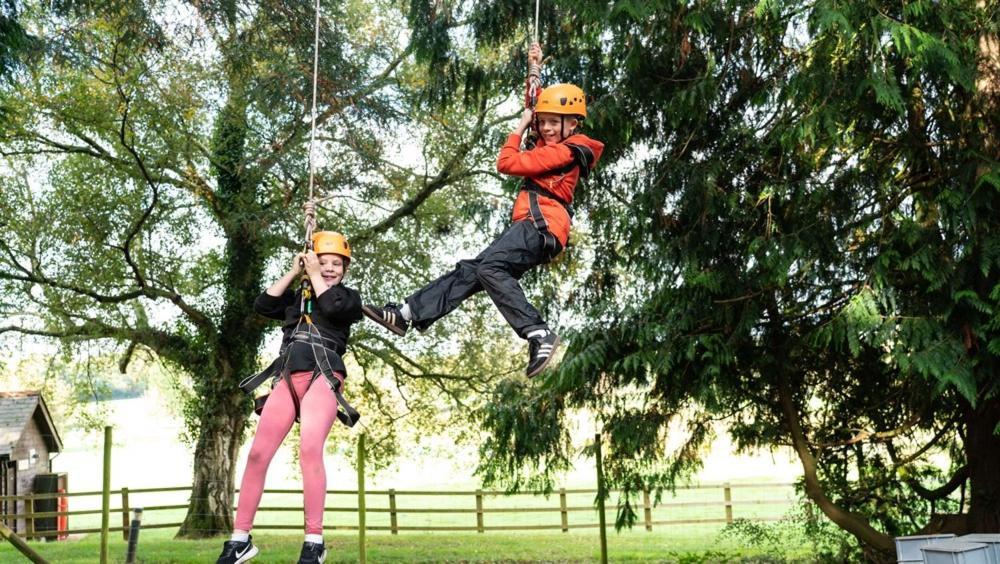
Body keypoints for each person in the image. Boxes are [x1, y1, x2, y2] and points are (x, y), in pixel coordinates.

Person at [362, 43, 604, 378]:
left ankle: (538, 333)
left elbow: (507, 162)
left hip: (543, 224)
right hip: (532, 225)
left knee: (490, 268)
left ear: (573, 125)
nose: (546, 128)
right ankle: (406, 313)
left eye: (554, 124)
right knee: (474, 270)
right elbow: (534, 104)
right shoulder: (550, 142)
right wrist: (534, 69)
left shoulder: (565, 152)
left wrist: (518, 128)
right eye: (543, 123)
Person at [216, 231, 362, 564]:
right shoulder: (297, 298)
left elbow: (330, 304)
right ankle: (240, 540)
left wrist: (312, 273)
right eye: (322, 262)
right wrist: (296, 272)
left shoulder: (349, 299)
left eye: (335, 264)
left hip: (323, 376)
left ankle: (314, 542)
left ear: (345, 269)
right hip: (287, 378)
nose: (328, 268)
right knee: (257, 455)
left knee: (309, 449)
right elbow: (264, 303)